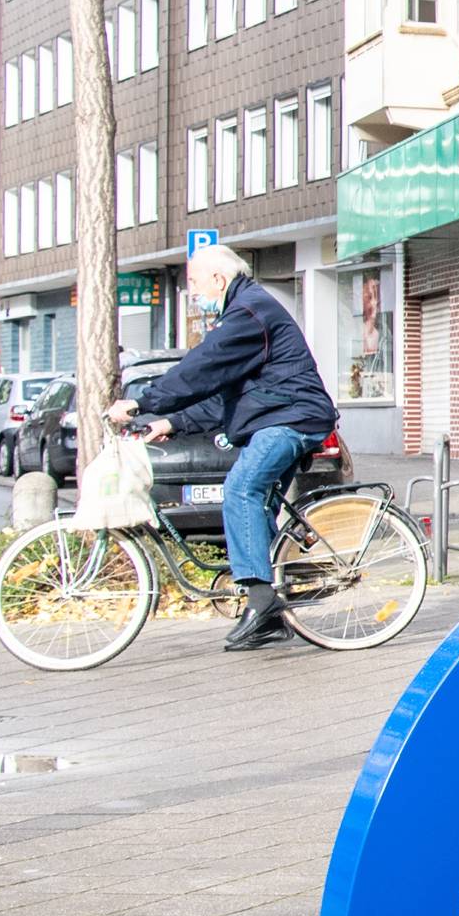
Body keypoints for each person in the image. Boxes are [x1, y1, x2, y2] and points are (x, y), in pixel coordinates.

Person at [106, 246, 339, 650]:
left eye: (194, 283)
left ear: (219, 278)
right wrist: (170, 422)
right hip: (279, 416)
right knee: (258, 504)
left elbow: (200, 367)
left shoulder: (248, 312)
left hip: (291, 419)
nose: (193, 292)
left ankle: (263, 602)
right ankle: (270, 605)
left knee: (240, 488)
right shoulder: (245, 312)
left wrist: (143, 401)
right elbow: (223, 396)